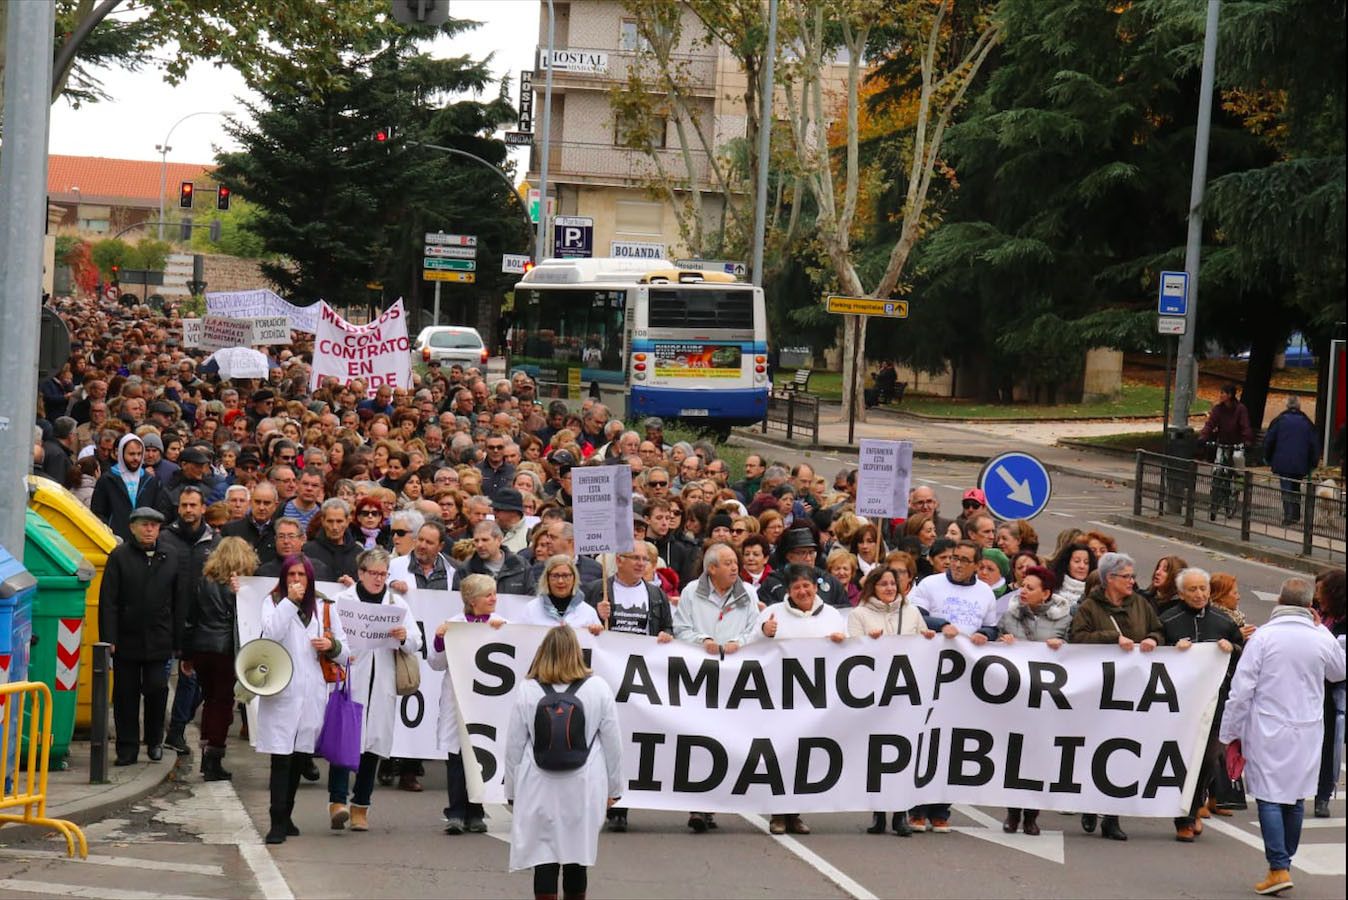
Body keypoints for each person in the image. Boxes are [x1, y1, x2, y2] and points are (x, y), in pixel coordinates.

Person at [1220, 577, 1346, 895]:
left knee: (1268, 795)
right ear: (1308, 605)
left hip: (1268, 726)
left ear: (1279, 601)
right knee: (1294, 797)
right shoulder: (1320, 637)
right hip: (1308, 727)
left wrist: (1230, 731)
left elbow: (1242, 689)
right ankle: (1283, 863)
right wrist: (1321, 630)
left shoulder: (1263, 637)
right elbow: (1338, 672)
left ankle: (1278, 866)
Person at [504, 625, 622, 900]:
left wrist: (511, 792)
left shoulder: (528, 689)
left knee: (544, 855)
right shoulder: (598, 688)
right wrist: (614, 788)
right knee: (576, 855)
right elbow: (613, 743)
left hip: (538, 783)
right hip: (584, 783)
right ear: (576, 653)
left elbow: (514, 746)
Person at [905, 540, 999, 832]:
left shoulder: (985, 592)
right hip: (930, 674)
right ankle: (916, 807)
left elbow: (992, 626)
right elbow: (914, 615)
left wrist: (985, 633)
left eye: (964, 560)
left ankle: (941, 809)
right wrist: (941, 623)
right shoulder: (930, 585)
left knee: (953, 744)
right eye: (954, 559)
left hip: (964, 680)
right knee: (925, 739)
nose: (956, 564)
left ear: (976, 565)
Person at [1069, 551, 1164, 842]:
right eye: (1127, 577)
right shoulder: (1089, 607)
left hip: (1130, 693)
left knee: (1122, 752)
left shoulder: (1141, 605)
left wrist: (1152, 640)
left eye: (1133, 577)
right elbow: (1078, 639)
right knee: (1093, 749)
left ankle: (1112, 817)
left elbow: (1159, 631)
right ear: (1110, 579)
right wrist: (1111, 638)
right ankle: (1089, 803)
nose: (1133, 582)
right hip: (1099, 691)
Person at [255, 554, 347, 845]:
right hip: (283, 692)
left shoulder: (324, 608)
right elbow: (270, 635)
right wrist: (289, 603)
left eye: (301, 575)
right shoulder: (273, 603)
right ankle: (276, 822)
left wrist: (330, 645)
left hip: (311, 693)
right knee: (281, 758)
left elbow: (346, 653)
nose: (296, 580)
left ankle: (288, 816)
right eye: (291, 575)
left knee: (298, 758)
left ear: (310, 579)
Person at [327, 548, 421, 832]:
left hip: (382, 682)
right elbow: (333, 637)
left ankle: (361, 806)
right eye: (374, 574)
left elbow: (416, 641)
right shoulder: (343, 601)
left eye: (383, 574)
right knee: (346, 740)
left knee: (373, 745)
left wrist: (404, 637)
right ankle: (337, 801)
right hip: (352, 676)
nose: (379, 579)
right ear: (361, 573)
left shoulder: (396, 603)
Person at [583, 544, 672, 832]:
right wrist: (596, 616)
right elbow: (579, 628)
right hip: (605, 674)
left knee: (628, 739)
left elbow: (668, 629)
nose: (641, 564)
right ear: (618, 561)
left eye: (645, 559)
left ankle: (621, 804)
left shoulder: (656, 595)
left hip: (639, 678)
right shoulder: (598, 589)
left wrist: (664, 637)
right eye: (635, 558)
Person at [672, 543, 759, 832]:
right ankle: (698, 805)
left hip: (735, 679)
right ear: (711, 568)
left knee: (726, 740)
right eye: (728, 562)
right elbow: (681, 628)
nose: (735, 567)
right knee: (699, 739)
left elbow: (754, 631)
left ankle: (715, 800)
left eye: (736, 561)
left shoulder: (747, 593)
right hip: (699, 676)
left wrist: (740, 645)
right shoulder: (689, 594)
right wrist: (703, 641)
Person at [756, 564, 847, 836]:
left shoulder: (832, 615)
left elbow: (851, 651)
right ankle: (777, 814)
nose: (802, 591)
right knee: (781, 753)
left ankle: (794, 813)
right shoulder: (772, 614)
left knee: (805, 756)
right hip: (781, 699)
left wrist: (842, 641)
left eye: (806, 586)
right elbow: (752, 648)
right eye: (796, 587)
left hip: (816, 702)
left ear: (816, 587)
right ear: (789, 591)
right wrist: (764, 631)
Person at [1161, 567, 1244, 842]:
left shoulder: (1224, 621)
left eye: (1203, 589)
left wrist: (1232, 648)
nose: (1199, 594)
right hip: (1179, 705)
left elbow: (1243, 653)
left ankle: (1196, 804)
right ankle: (1182, 818)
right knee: (1183, 758)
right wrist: (1172, 649)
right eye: (1193, 590)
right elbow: (1153, 655)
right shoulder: (1168, 620)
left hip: (1216, 703)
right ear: (1182, 593)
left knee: (1208, 759)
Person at [847, 566, 931, 836]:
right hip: (874, 696)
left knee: (903, 754)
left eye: (892, 584)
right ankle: (878, 812)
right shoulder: (859, 614)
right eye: (883, 584)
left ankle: (900, 813)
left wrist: (928, 638)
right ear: (873, 587)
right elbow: (850, 653)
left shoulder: (912, 612)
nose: (889, 588)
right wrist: (866, 642)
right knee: (877, 755)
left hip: (906, 694)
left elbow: (924, 643)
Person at [99, 507, 184, 765]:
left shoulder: (170, 556)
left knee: (157, 689)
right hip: (127, 637)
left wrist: (178, 641)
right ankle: (127, 747)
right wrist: (109, 637)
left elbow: (179, 600)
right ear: (133, 527)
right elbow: (108, 601)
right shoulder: (120, 556)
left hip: (159, 637)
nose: (150, 530)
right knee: (125, 693)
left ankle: (154, 740)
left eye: (154, 525)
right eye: (145, 525)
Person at [429, 574, 507, 835]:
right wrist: (440, 639)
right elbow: (436, 663)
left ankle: (476, 811)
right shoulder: (454, 625)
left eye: (494, 593)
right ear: (472, 600)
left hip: (487, 702)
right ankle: (456, 811)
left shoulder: (502, 625)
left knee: (481, 753)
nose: (494, 598)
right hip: (458, 699)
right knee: (456, 755)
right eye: (488, 595)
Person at [996, 565, 1069, 836]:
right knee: (1014, 755)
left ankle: (1031, 816)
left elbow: (1079, 653)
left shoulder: (1063, 620)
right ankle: (1013, 814)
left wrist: (1063, 647)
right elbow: (995, 639)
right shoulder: (1010, 614)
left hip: (1046, 699)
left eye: (1030, 588)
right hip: (1015, 697)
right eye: (1022, 586)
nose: (1023, 591)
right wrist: (998, 640)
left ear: (1046, 593)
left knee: (1038, 757)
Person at [182, 536, 259, 781]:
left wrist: (187, 654)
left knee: (210, 701)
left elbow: (191, 618)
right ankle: (214, 756)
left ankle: (207, 754)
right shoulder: (241, 588)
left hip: (203, 647)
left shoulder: (204, 582)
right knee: (223, 704)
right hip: (226, 649)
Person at [90, 433, 168, 543]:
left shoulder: (150, 481)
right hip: (115, 541)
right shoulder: (107, 479)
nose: (136, 458)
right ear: (121, 454)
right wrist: (110, 532)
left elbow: (159, 511)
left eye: (139, 454)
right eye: (131, 454)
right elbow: (97, 513)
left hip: (144, 542)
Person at [1314, 571, 1346, 819]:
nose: (1316, 595)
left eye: (1321, 590)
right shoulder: (1316, 614)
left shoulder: (1341, 623)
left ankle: (1323, 794)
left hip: (1337, 690)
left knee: (1331, 743)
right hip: (1314, 686)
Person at [1262, 396, 1319, 525]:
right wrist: (1313, 463)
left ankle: (1289, 515)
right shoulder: (1306, 422)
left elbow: (1269, 440)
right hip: (1301, 462)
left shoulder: (1279, 420)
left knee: (1286, 487)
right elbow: (1314, 443)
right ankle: (1296, 514)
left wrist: (1267, 457)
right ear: (1299, 407)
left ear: (1287, 406)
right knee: (1296, 486)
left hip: (1282, 461)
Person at [517, 555, 604, 633]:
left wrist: (597, 631)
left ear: (574, 578)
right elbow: (519, 637)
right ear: (547, 578)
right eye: (555, 576)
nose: (560, 581)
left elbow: (598, 646)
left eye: (566, 576)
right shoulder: (531, 610)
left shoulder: (588, 612)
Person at [1198, 383, 1254, 447]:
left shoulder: (1241, 409)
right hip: (1222, 443)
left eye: (1222, 393)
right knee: (1219, 456)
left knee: (1237, 457)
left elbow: (1245, 426)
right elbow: (1210, 424)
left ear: (1229, 395)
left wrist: (1247, 440)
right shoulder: (1218, 409)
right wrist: (1203, 436)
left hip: (1237, 444)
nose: (1220, 395)